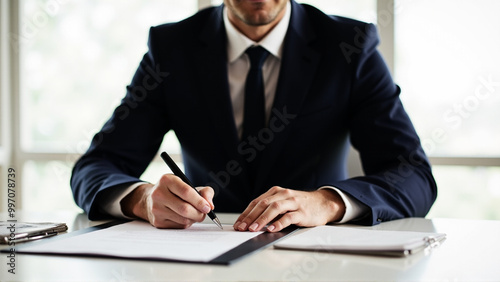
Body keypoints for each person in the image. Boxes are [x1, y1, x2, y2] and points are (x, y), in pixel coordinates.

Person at [71, 0, 437, 232]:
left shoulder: (350, 45)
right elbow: (96, 167)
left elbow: (414, 175)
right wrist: (143, 200)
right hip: (200, 260)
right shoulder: (172, 50)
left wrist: (327, 202)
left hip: (319, 264)